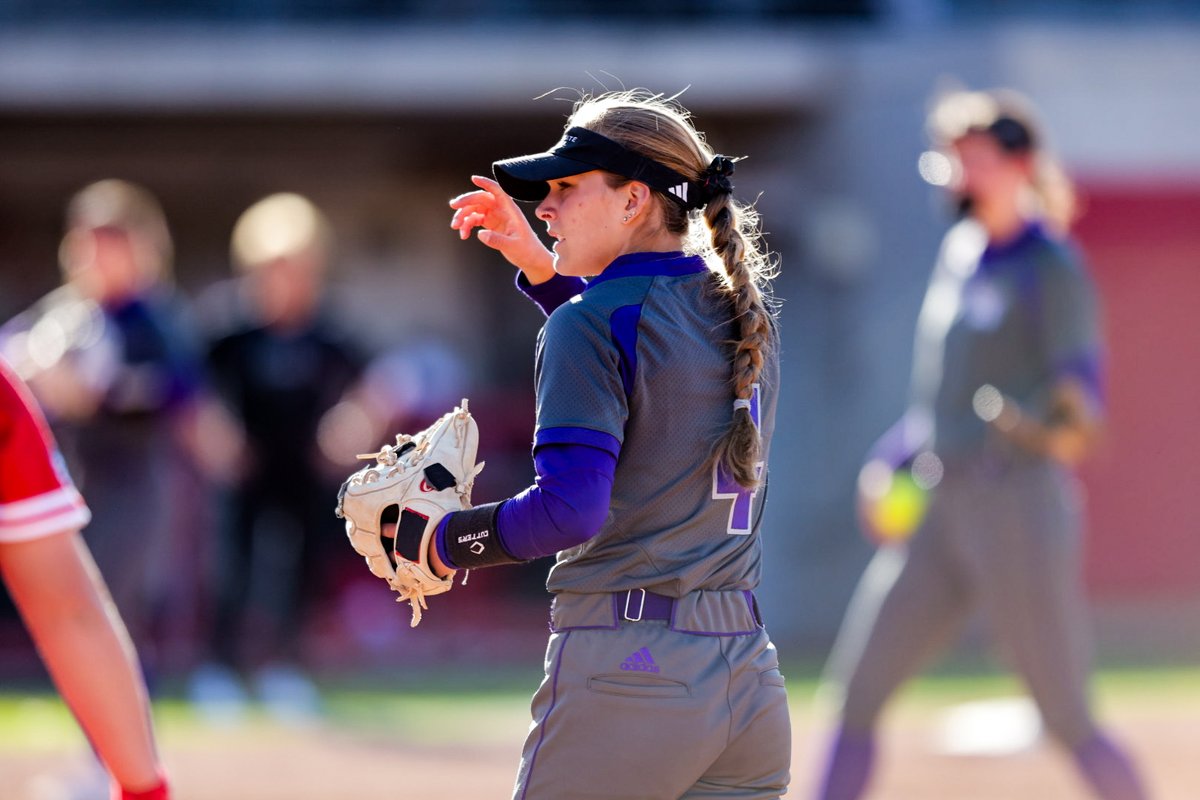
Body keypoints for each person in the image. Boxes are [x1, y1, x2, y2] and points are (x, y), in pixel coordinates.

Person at [436, 90, 790, 799]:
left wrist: (444, 541)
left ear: (633, 202)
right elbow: (640, 353)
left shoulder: (587, 324)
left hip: (629, 673)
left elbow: (570, 511)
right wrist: (545, 269)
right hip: (748, 679)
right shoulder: (743, 318)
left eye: (566, 187)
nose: (545, 206)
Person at [813, 88, 1149, 800]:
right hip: (940, 506)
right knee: (858, 691)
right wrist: (893, 460)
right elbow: (942, 397)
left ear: (1021, 164)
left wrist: (1062, 414)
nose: (960, 173)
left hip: (1016, 507)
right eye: (952, 158)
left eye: (976, 158)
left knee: (1065, 714)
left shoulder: (1050, 267)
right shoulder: (962, 252)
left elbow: (1079, 388)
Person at [0, 179, 205, 675]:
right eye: (88, 244)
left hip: (134, 484)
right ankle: (99, 744)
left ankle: (121, 744)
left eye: (110, 245)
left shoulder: (152, 319)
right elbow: (13, 361)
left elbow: (178, 395)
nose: (96, 258)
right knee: (75, 611)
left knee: (112, 606)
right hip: (73, 483)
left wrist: (99, 387)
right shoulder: (64, 314)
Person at [190, 192, 366, 720]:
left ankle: (285, 671)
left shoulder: (328, 334)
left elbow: (377, 384)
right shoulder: (231, 333)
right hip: (243, 473)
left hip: (306, 474)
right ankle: (218, 672)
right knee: (232, 570)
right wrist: (213, 436)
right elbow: (189, 388)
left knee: (300, 570)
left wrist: (352, 423)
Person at [0, 356, 170, 800]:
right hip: (87, 493)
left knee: (121, 605)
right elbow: (69, 612)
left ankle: (99, 760)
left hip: (123, 495)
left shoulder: (145, 324)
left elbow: (172, 387)